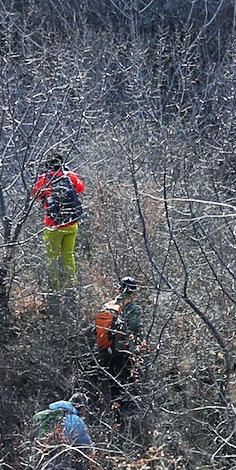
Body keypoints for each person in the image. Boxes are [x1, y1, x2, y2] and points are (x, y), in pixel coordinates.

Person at [31, 153, 86, 290]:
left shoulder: (44, 179)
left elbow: (35, 194)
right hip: (72, 224)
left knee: (51, 258)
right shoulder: (69, 176)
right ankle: (71, 285)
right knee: (68, 255)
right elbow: (81, 188)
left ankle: (54, 287)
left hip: (53, 225)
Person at [91, 276, 143, 407]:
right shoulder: (133, 308)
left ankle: (114, 418)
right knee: (127, 388)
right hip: (122, 353)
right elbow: (135, 329)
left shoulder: (108, 306)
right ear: (134, 292)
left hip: (105, 352)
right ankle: (125, 420)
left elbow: (95, 330)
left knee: (113, 388)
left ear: (119, 290)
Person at [34, 393, 94, 470]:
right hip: (60, 458)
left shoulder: (52, 412)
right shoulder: (76, 420)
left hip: (41, 452)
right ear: (81, 407)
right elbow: (86, 443)